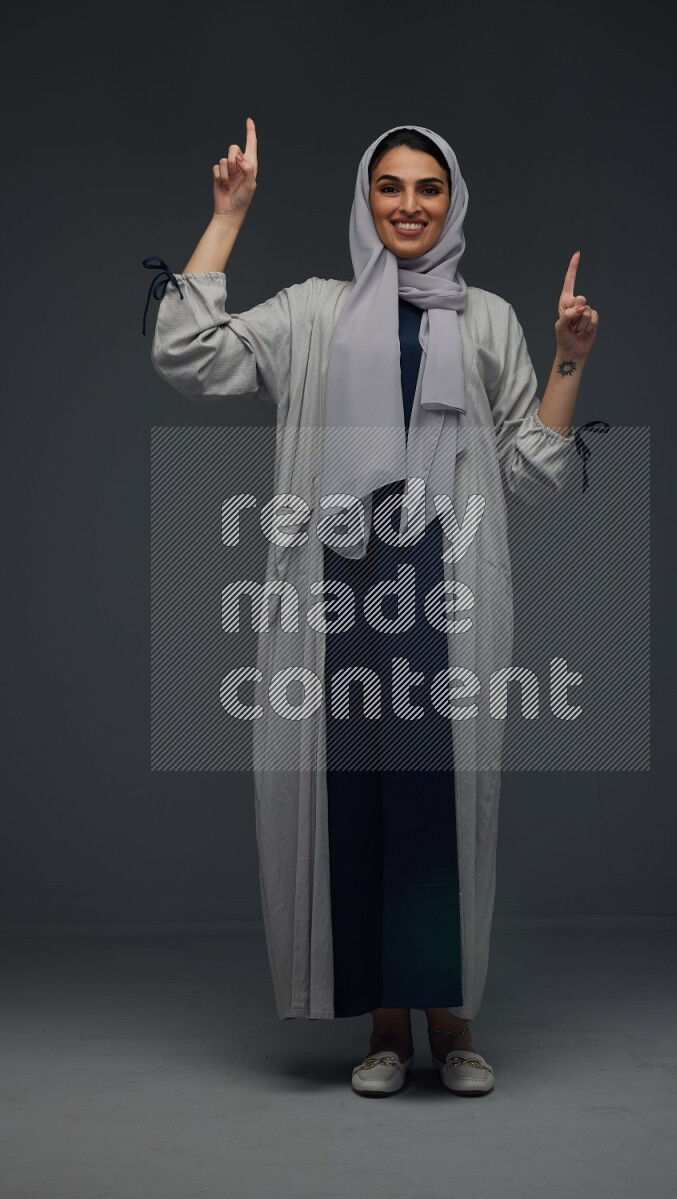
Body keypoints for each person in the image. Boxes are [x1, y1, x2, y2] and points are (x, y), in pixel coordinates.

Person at [147, 118, 599, 1098]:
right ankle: (384, 1025)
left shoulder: (483, 319)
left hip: (443, 589)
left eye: (426, 188)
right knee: (350, 803)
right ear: (365, 198)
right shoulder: (313, 311)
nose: (407, 204)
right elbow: (189, 354)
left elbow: (530, 468)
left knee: (438, 805)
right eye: (388, 186)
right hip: (336, 589)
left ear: (452, 200)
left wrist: (566, 360)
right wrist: (226, 217)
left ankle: (453, 1019)